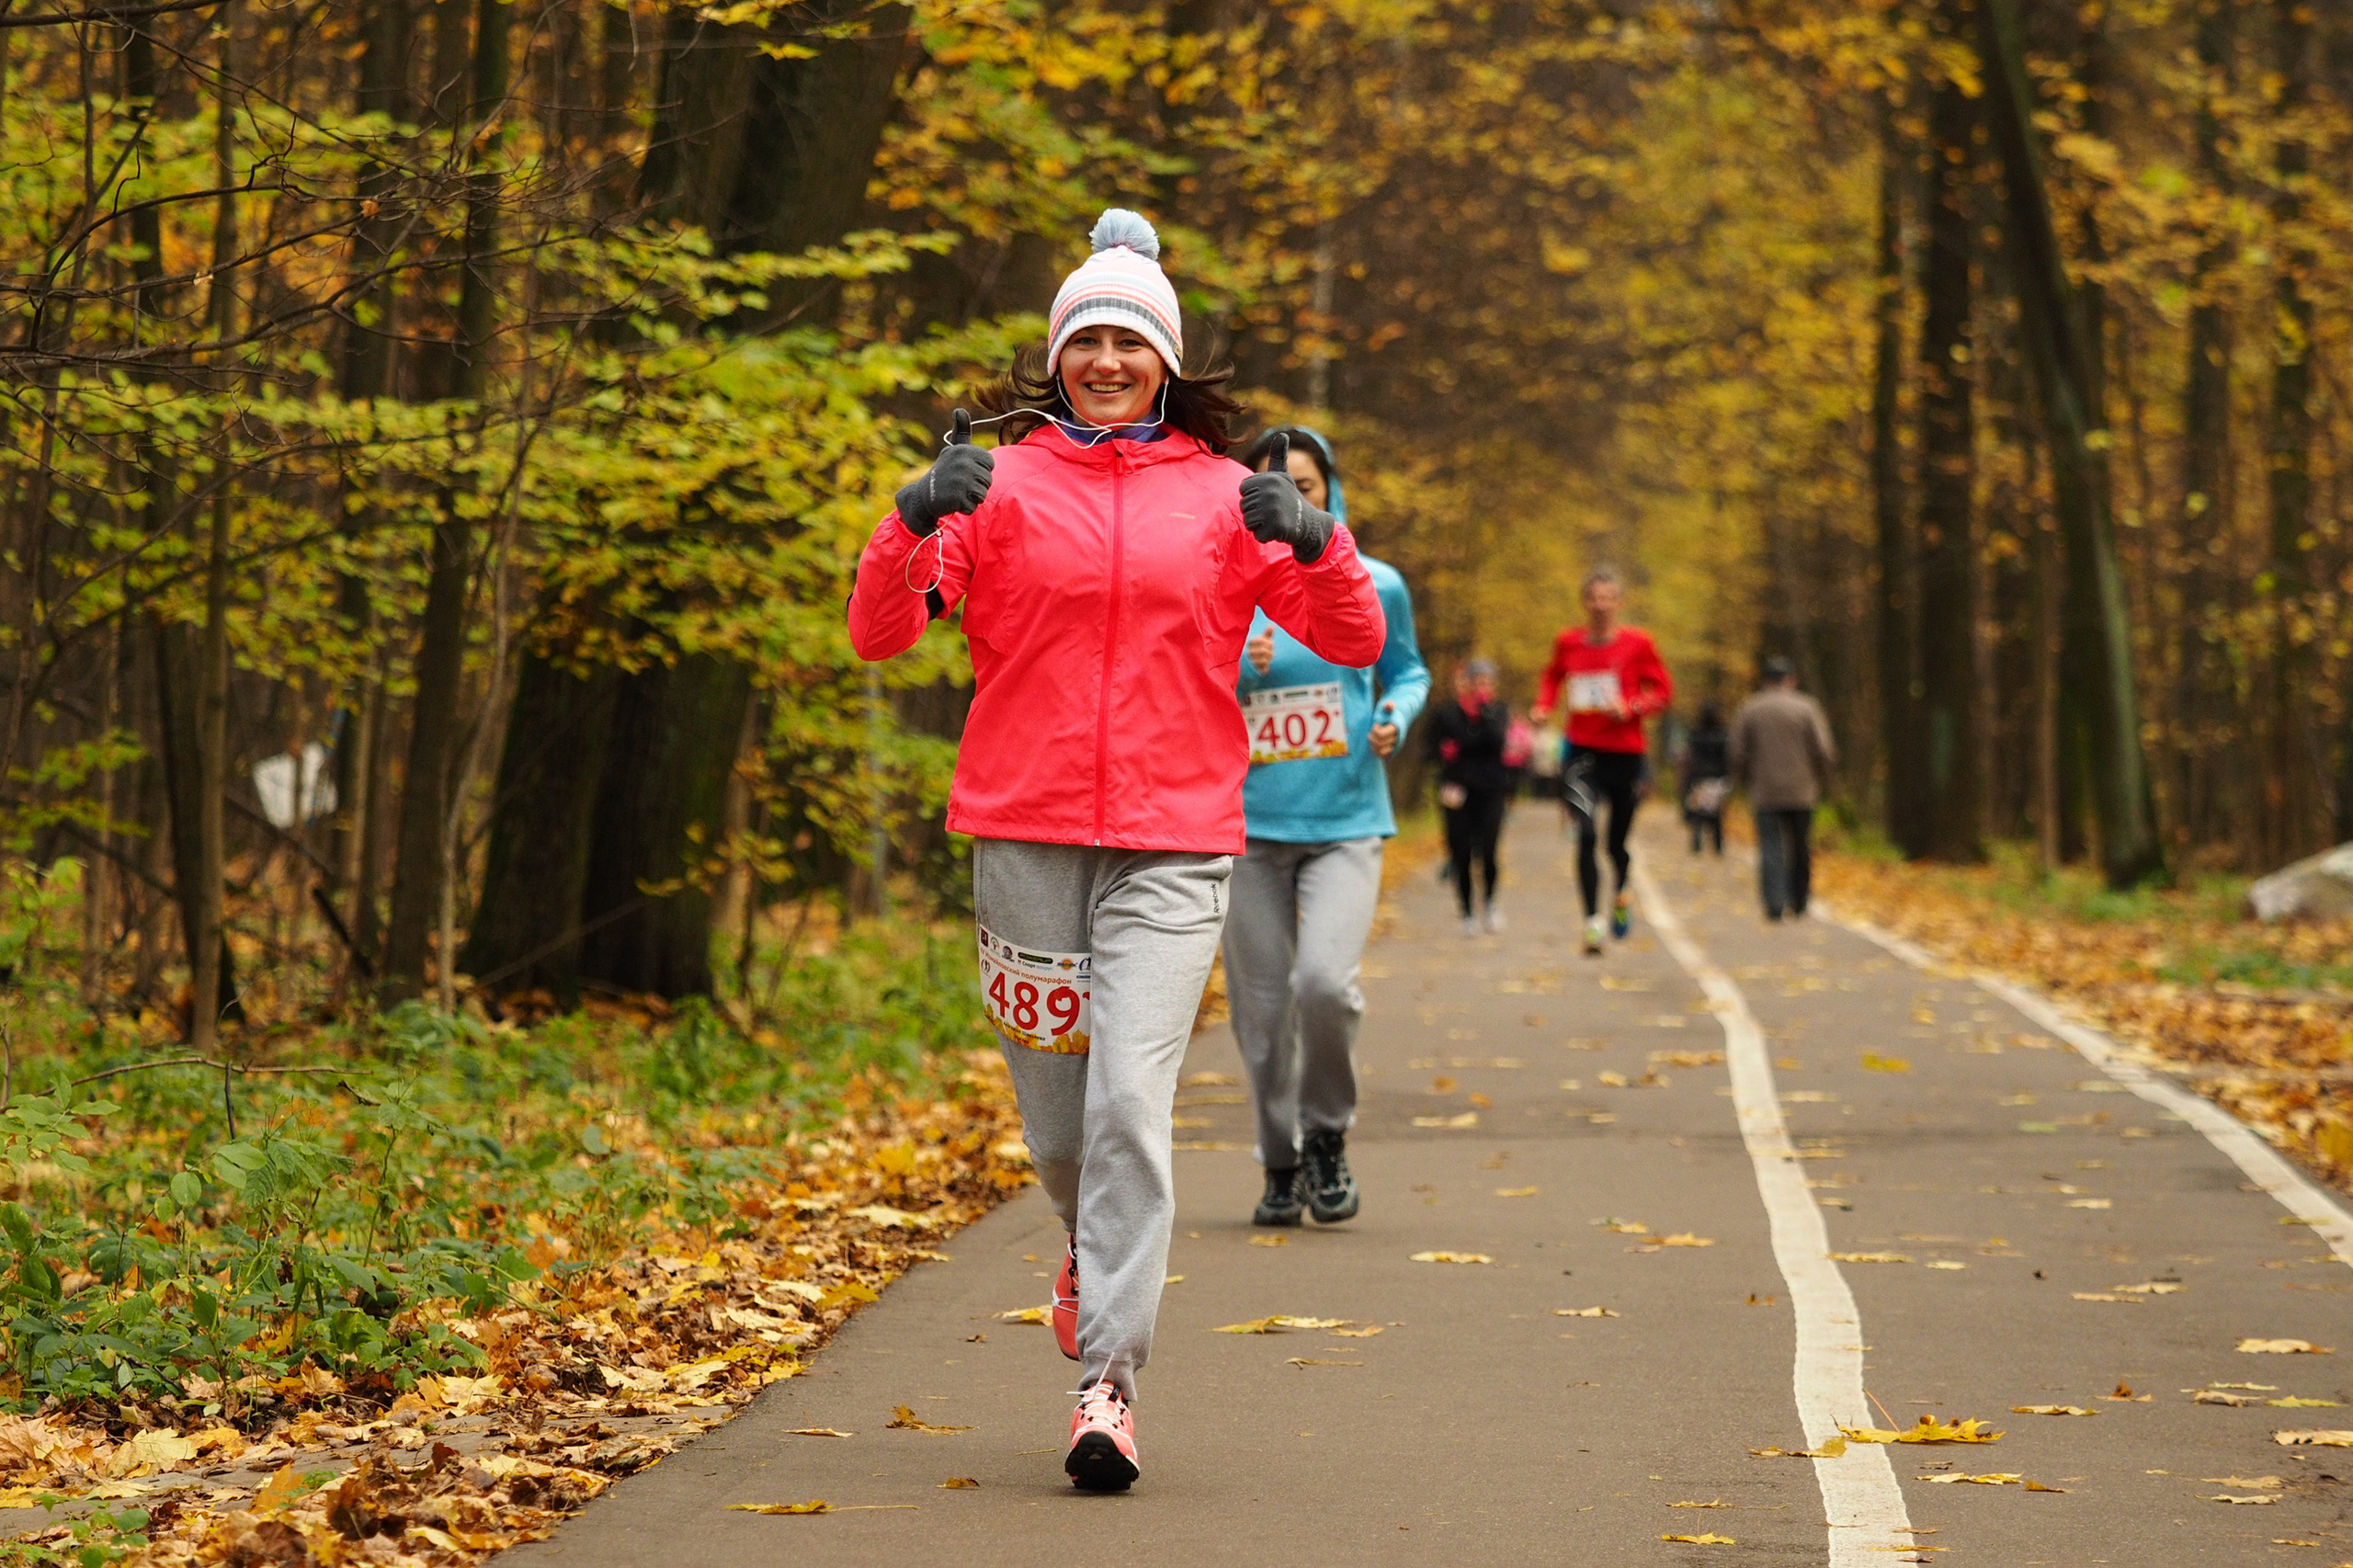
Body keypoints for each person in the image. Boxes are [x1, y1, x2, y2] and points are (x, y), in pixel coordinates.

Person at [847, 210, 1385, 1492]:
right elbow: (880, 632)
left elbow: (1353, 635)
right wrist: (911, 513)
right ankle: (1089, 1255)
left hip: (1174, 839)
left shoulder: (1223, 493)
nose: (1104, 358)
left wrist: (1314, 533)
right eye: (1085, 336)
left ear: (1165, 359)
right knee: (1060, 1130)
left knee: (1133, 1103)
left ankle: (1110, 1382)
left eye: (1128, 339)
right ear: (1058, 355)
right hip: (1023, 832)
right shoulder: (999, 484)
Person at [1226, 427, 1429, 1230]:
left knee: (1324, 985)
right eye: (1273, 488)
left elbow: (1407, 669)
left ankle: (1328, 1136)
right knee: (1261, 1006)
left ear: (1328, 491)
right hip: (1246, 822)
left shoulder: (1375, 582)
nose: (1289, 500)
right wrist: (1246, 661)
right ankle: (1279, 1158)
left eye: (1305, 487)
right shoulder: (1224, 582)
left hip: (1346, 814)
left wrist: (1395, 714)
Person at [1532, 566, 1673, 955]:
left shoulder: (1639, 643)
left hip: (1626, 752)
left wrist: (1630, 707)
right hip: (1582, 750)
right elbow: (1552, 677)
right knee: (1587, 833)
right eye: (1594, 598)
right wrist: (1544, 707)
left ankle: (1622, 890)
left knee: (1616, 843)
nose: (1601, 606)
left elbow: (1662, 691)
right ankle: (1592, 922)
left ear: (1619, 603)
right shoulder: (1568, 642)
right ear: (1584, 602)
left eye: (1608, 598)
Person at [1732, 656, 1837, 921]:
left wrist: (1743, 780)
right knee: (1800, 846)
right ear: (1791, 679)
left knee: (1770, 847)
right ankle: (1799, 900)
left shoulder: (1751, 708)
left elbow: (1736, 751)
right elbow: (1824, 750)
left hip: (1765, 790)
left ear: (1765, 680)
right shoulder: (1807, 707)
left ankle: (1774, 903)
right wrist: (1824, 778)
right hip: (1802, 791)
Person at [1427, 659, 1510, 937]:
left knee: (1487, 851)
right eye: (1477, 681)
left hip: (1490, 791)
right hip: (1456, 791)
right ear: (1467, 683)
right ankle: (1466, 912)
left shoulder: (1498, 711)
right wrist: (1443, 752)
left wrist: (1482, 716)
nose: (1481, 687)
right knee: (1460, 852)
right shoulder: (1448, 713)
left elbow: (1497, 742)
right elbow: (1429, 748)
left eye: (1487, 682)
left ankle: (1489, 902)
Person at [1679, 703, 1731, 856]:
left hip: (1699, 777)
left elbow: (1690, 758)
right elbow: (1727, 759)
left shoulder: (1695, 734)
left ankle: (1697, 842)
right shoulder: (1723, 735)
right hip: (1718, 778)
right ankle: (1718, 845)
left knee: (1698, 811)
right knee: (1717, 813)